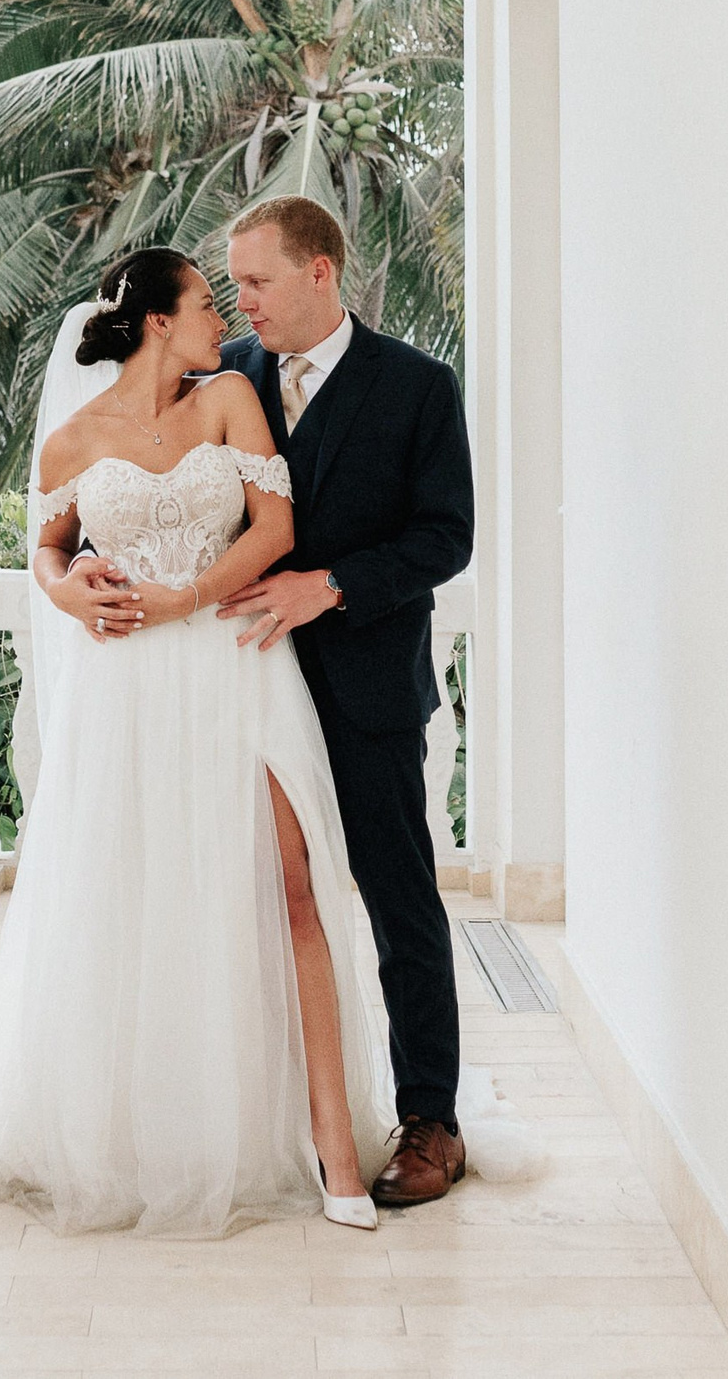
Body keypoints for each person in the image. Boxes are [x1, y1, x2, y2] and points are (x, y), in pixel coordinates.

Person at [0, 242, 539, 1238]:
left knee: (295, 884)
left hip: (235, 656)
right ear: (157, 319)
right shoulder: (72, 438)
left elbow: (276, 529)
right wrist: (67, 590)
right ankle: (150, 1130)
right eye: (207, 297)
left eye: (244, 286)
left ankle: (341, 1148)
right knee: (138, 894)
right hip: (126, 691)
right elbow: (48, 545)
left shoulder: (231, 396)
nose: (227, 312)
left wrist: (183, 598)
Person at [214, 194, 479, 1207]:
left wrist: (325, 585)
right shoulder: (226, 374)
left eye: (257, 279)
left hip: (367, 687)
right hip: (244, 684)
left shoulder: (417, 386)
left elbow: (443, 537)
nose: (243, 301)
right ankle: (277, 1111)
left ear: (320, 270)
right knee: (256, 898)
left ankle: (430, 1120)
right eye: (235, 281)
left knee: (396, 897)